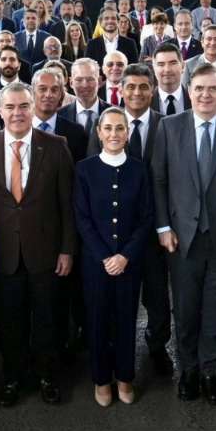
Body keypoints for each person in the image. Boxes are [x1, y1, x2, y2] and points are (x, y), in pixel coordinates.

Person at [150, 64, 216, 404]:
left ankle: (210, 371)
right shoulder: (169, 127)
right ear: (189, 91)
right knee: (185, 308)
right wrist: (164, 226)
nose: (205, 95)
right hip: (182, 238)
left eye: (213, 89)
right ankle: (189, 371)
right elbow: (159, 180)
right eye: (199, 89)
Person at [0, 81, 76, 407]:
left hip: (45, 253)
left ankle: (46, 377)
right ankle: (12, 378)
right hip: (2, 256)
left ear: (34, 108)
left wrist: (67, 249)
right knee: (9, 322)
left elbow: (67, 205)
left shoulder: (57, 146)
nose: (17, 113)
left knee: (46, 320)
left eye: (23, 106)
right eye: (10, 107)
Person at [73, 107, 154, 407]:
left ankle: (125, 377)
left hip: (129, 264)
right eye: (107, 128)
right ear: (98, 132)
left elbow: (146, 218)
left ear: (128, 133)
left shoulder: (139, 168)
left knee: (125, 321)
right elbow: (82, 218)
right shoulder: (84, 169)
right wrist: (105, 257)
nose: (114, 134)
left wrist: (125, 256)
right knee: (97, 322)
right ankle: (101, 379)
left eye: (120, 128)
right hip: (96, 263)